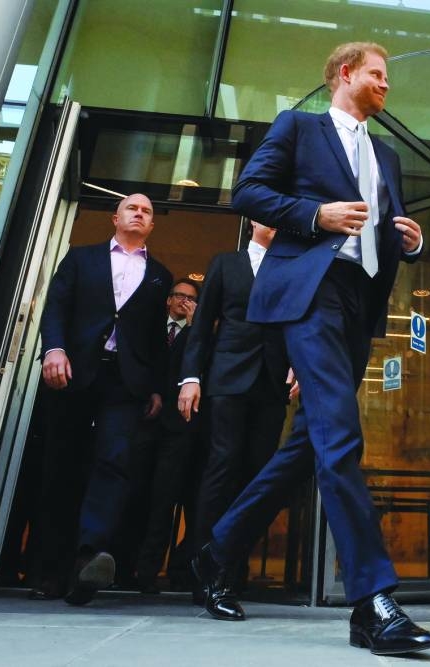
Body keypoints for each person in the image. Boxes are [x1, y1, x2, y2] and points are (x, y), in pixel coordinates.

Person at [190, 42, 430, 654]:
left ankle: (216, 550)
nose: (386, 84)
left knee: (310, 445)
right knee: (340, 434)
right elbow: (249, 191)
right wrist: (314, 214)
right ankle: (372, 601)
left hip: (359, 300)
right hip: (310, 292)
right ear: (345, 74)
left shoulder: (387, 155)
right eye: (376, 74)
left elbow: (388, 225)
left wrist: (411, 242)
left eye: (387, 77)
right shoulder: (298, 129)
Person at [36, 193, 172, 605]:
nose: (139, 214)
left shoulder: (160, 275)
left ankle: (88, 559)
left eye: (147, 212)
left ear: (152, 225)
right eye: (133, 208)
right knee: (62, 465)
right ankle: (49, 571)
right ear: (116, 217)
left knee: (114, 462)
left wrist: (156, 387)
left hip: (125, 383)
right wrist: (54, 349)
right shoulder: (81, 259)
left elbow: (155, 339)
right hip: (74, 372)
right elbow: (56, 307)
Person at [177, 221, 295, 602]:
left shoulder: (291, 267)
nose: (274, 222)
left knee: (257, 474)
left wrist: (298, 364)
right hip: (227, 378)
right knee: (222, 465)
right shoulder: (226, 264)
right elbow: (202, 326)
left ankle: (233, 567)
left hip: (272, 383)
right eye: (267, 215)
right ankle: (203, 570)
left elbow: (298, 324)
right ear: (253, 222)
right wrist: (190, 377)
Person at [122, 278, 201, 594]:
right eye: (179, 295)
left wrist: (195, 328)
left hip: (177, 427)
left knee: (163, 498)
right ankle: (123, 565)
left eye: (191, 298)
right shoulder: (152, 327)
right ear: (168, 299)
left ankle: (148, 571)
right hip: (144, 418)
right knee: (133, 492)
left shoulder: (198, 333)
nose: (184, 301)